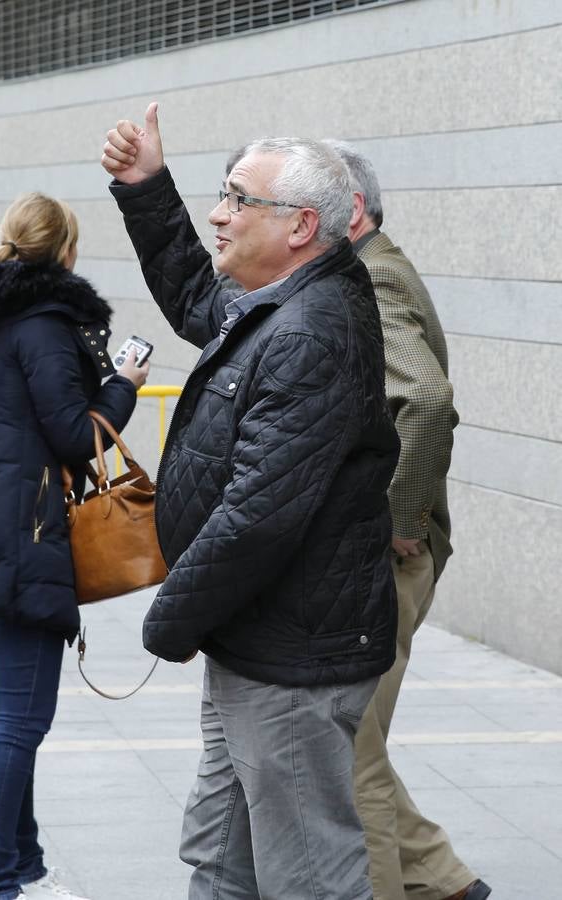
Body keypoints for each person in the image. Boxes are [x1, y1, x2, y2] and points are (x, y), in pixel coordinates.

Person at [101, 103, 399, 899]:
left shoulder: (309, 329)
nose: (218, 213)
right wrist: (144, 188)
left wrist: (170, 618)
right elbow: (197, 295)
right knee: (224, 860)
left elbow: (259, 513)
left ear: (300, 226)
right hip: (255, 639)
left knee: (307, 876)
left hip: (291, 654)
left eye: (238, 198)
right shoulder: (275, 302)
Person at [0, 192, 149, 900]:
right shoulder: (44, 326)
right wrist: (121, 385)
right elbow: (76, 437)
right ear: (66, 251)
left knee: (15, 711)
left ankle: (23, 867)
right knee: (20, 719)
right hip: (22, 529)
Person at [327, 141, 490, 900]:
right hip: (387, 550)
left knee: (349, 754)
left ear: (348, 210)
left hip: (386, 553)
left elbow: (425, 401)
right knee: (354, 741)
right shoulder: (366, 267)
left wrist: (397, 520)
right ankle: (438, 876)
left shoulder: (369, 276)